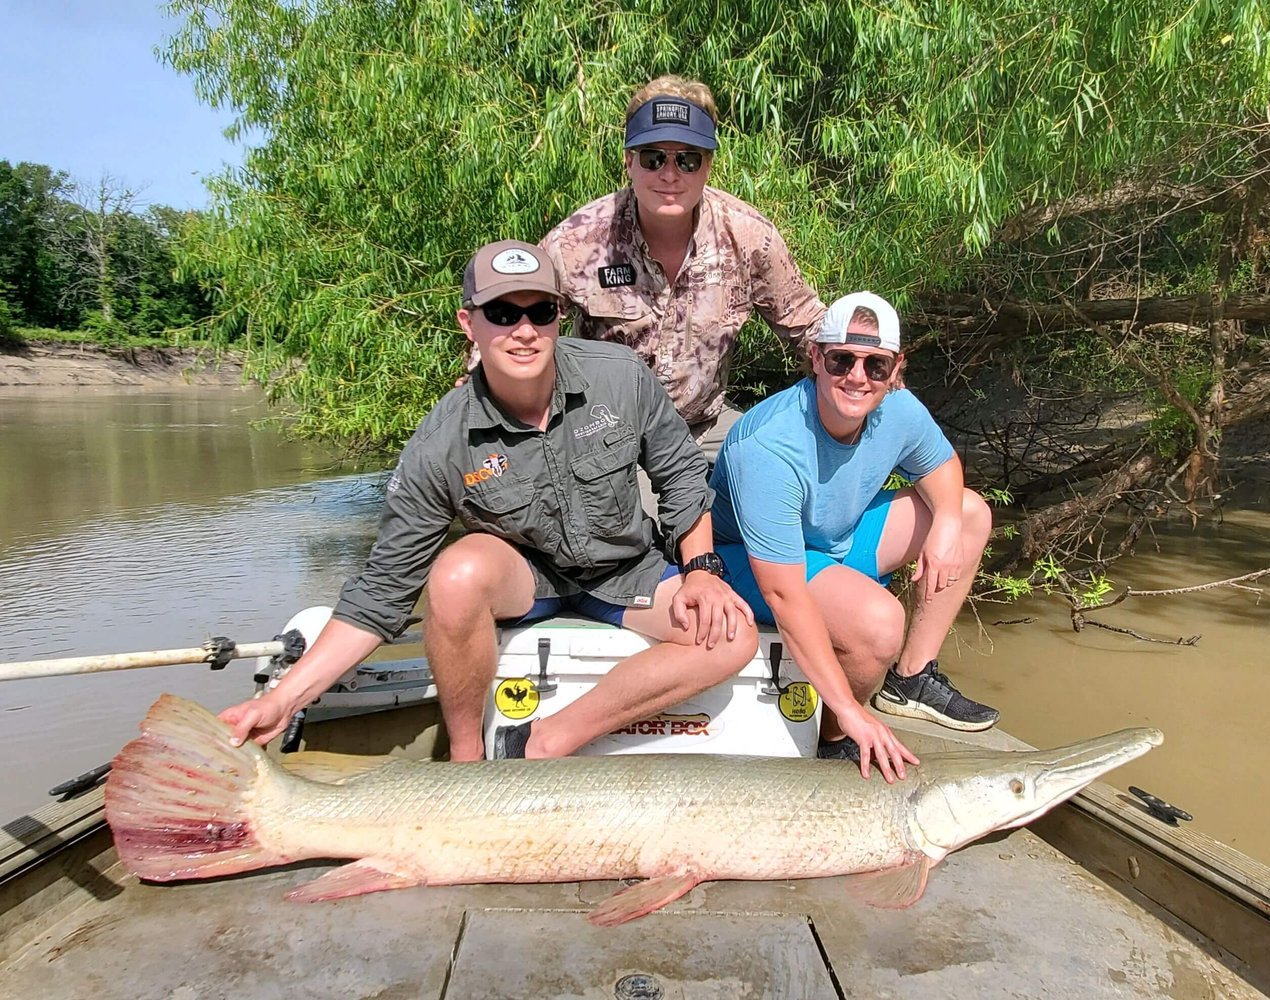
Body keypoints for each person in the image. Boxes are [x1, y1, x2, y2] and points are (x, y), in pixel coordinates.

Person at [222, 240, 758, 761]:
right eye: (501, 313)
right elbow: (383, 592)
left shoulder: (619, 377)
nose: (523, 331)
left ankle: (551, 738)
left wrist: (703, 572)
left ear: (559, 315)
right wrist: (283, 698)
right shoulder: (442, 442)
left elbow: (682, 476)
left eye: (540, 311)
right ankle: (467, 757)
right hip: (526, 582)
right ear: (469, 323)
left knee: (733, 636)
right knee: (455, 575)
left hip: (625, 570)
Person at [709, 292, 997, 782]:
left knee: (969, 512)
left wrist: (945, 524)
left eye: (875, 364)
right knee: (878, 624)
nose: (858, 377)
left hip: (834, 535)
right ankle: (832, 737)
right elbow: (783, 590)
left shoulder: (898, 409)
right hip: (753, 560)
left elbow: (943, 466)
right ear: (817, 358)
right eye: (842, 359)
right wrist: (848, 710)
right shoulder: (768, 445)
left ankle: (910, 680)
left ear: (896, 369)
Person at [540, 75, 826, 473]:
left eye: (687, 159)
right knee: (641, 529)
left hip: (705, 429)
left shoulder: (748, 237)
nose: (670, 174)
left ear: (707, 165)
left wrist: (867, 378)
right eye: (653, 157)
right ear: (628, 159)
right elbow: (513, 328)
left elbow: (808, 326)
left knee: (778, 476)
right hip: (604, 436)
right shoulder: (577, 243)